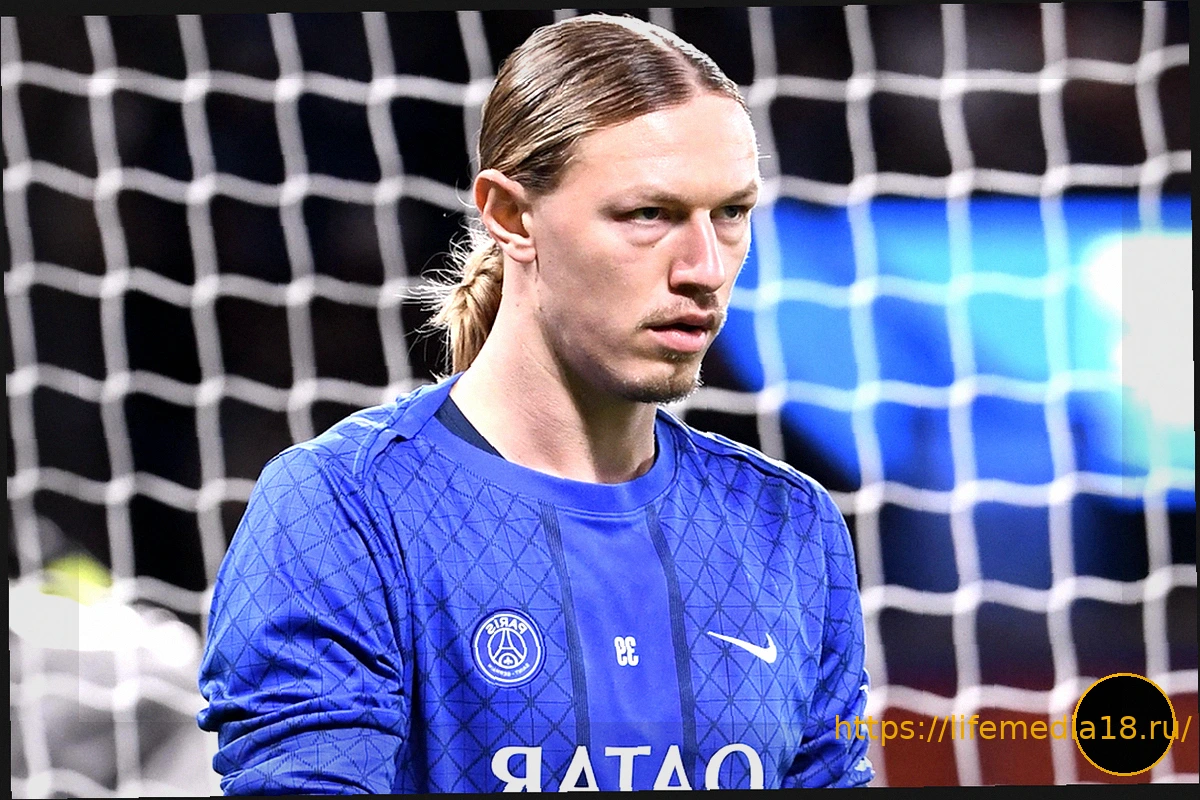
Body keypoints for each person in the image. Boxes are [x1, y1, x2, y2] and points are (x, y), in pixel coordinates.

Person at [197, 14, 873, 793]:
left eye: (730, 212)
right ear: (511, 216)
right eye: (649, 214)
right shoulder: (342, 511)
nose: (704, 268)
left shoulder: (790, 526)